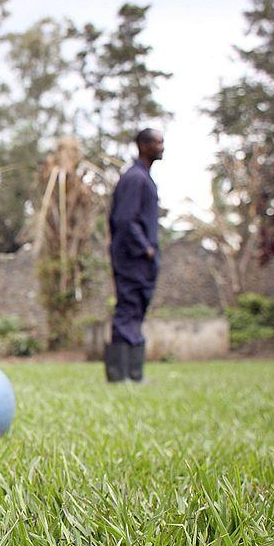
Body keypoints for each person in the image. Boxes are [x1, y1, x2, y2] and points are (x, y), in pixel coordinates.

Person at [105, 128, 164, 383]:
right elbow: (124, 219)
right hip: (133, 258)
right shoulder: (135, 178)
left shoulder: (143, 178)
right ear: (143, 145)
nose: (162, 147)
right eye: (157, 142)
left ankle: (133, 373)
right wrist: (146, 249)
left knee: (136, 309)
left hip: (140, 260)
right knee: (128, 309)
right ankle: (122, 375)